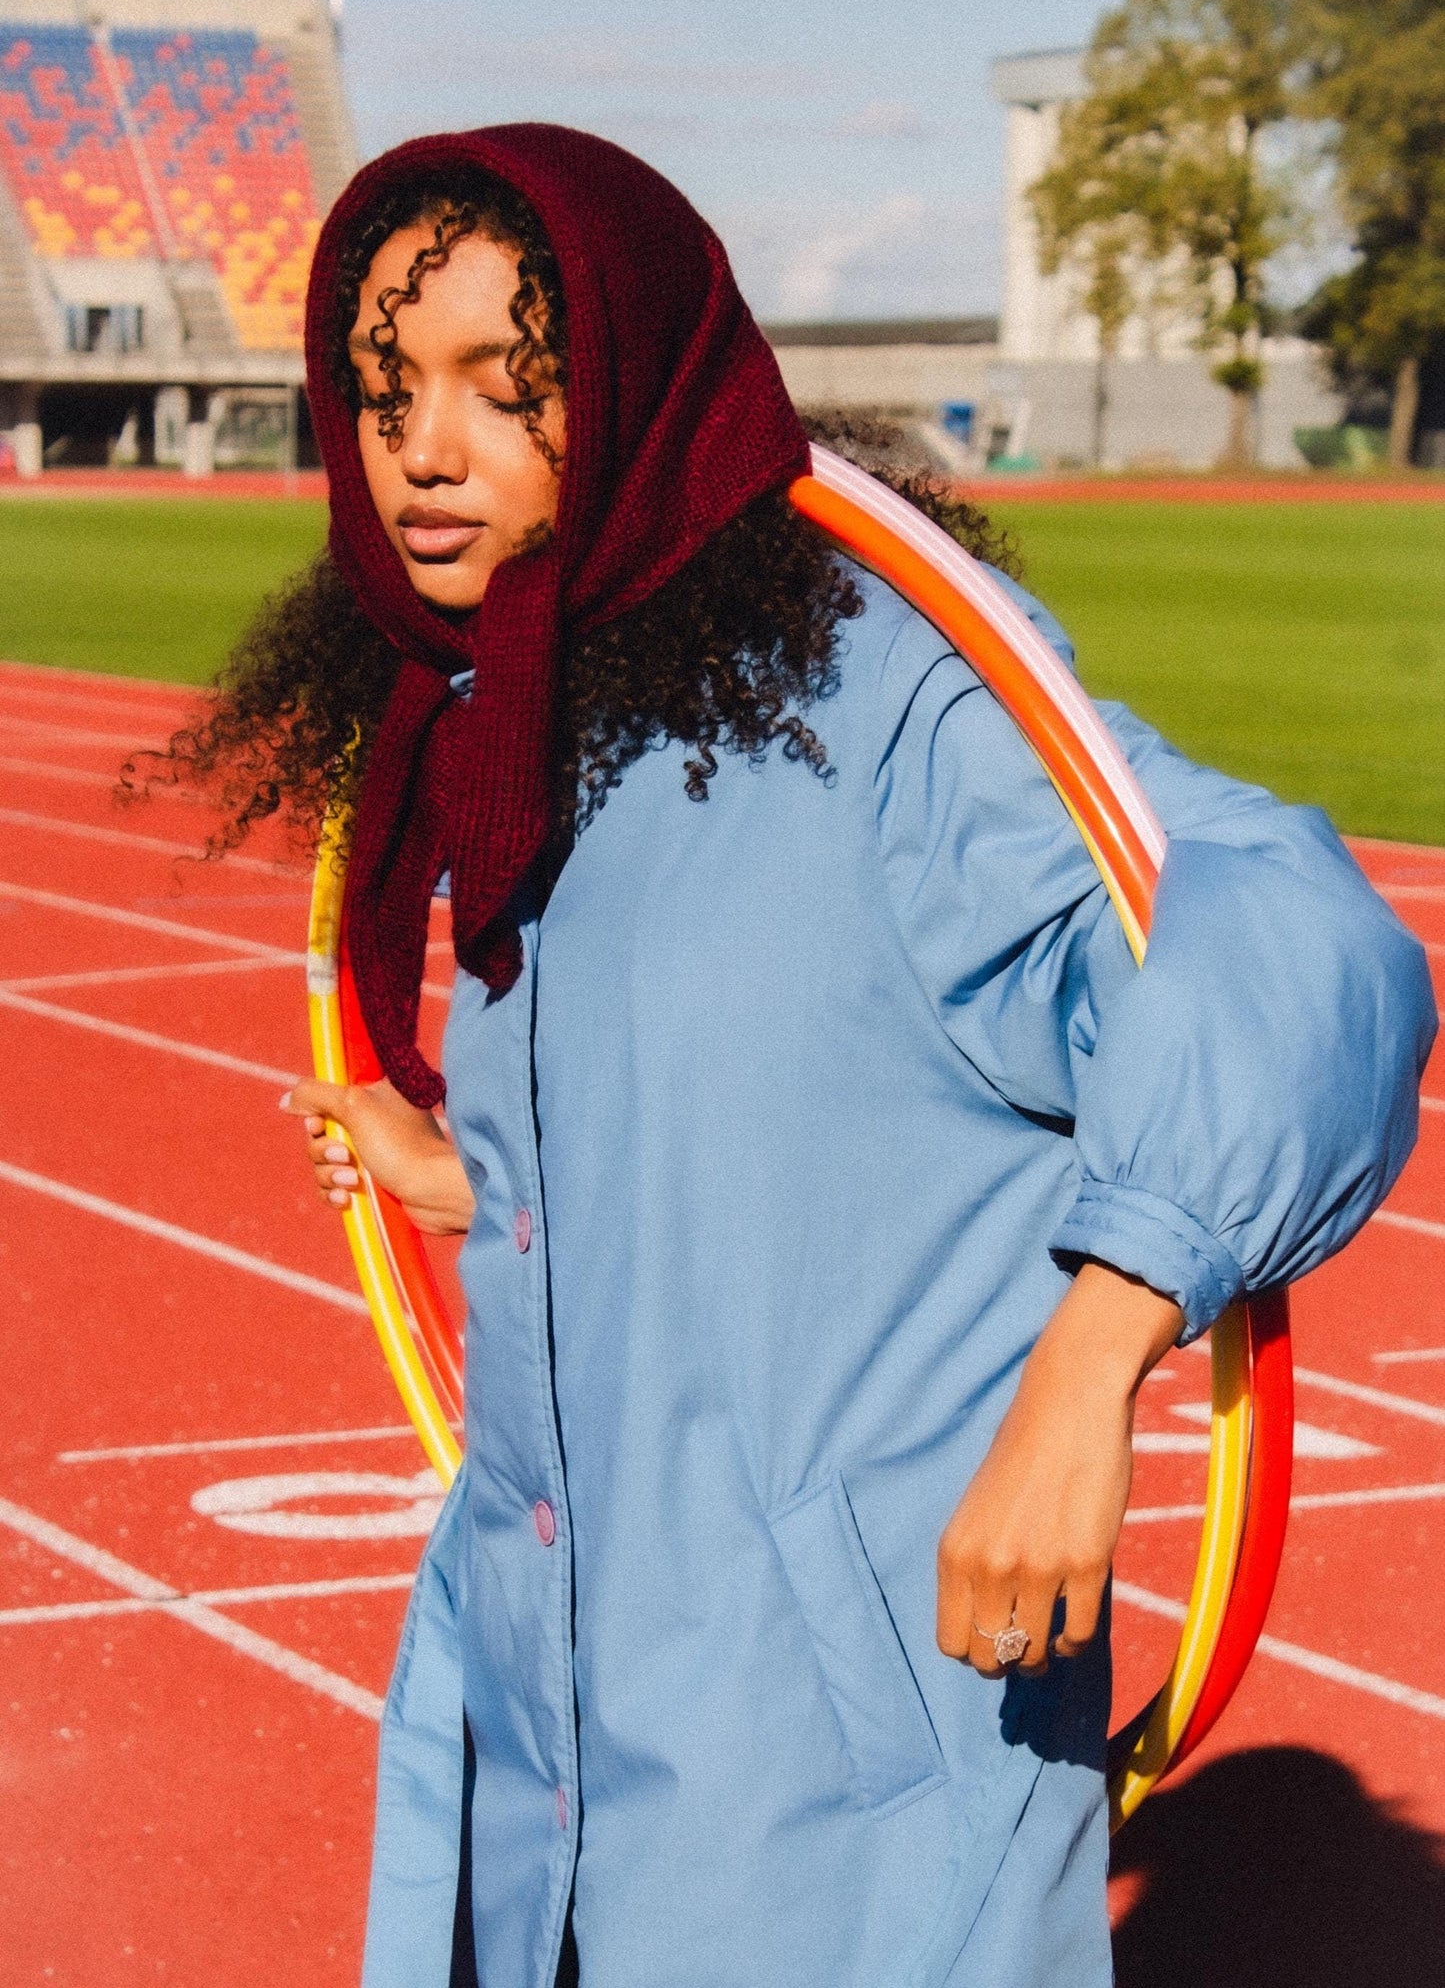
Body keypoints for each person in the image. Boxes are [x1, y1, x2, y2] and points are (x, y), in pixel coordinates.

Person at [149, 127, 1434, 1987]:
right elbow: (777, 1131)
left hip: (841, 1812)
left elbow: (1293, 933)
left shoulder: (888, 705)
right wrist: (500, 1185)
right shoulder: (513, 733)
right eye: (383, 388)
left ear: (645, 388)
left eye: (507, 392)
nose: (424, 448)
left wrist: (1095, 1351)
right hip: (547, 1762)